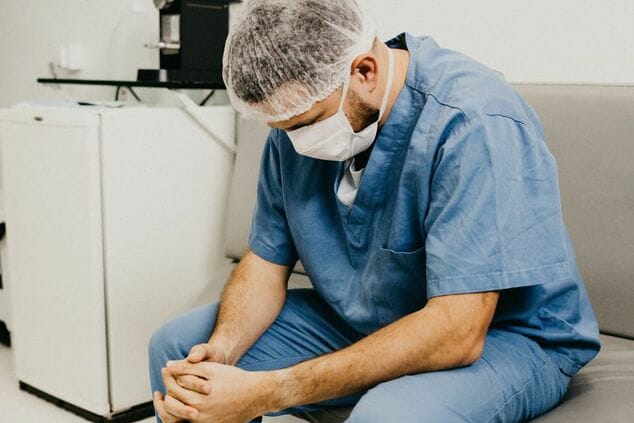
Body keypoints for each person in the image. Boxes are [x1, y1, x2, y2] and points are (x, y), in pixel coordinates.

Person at [148, 0, 601, 422]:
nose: (297, 142)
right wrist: (221, 355)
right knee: (181, 353)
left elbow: (457, 331)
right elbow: (265, 263)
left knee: (387, 417)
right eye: (282, 129)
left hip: (507, 336)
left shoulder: (473, 121)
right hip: (366, 318)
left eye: (305, 125)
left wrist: (271, 390)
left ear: (364, 70)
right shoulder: (298, 122)